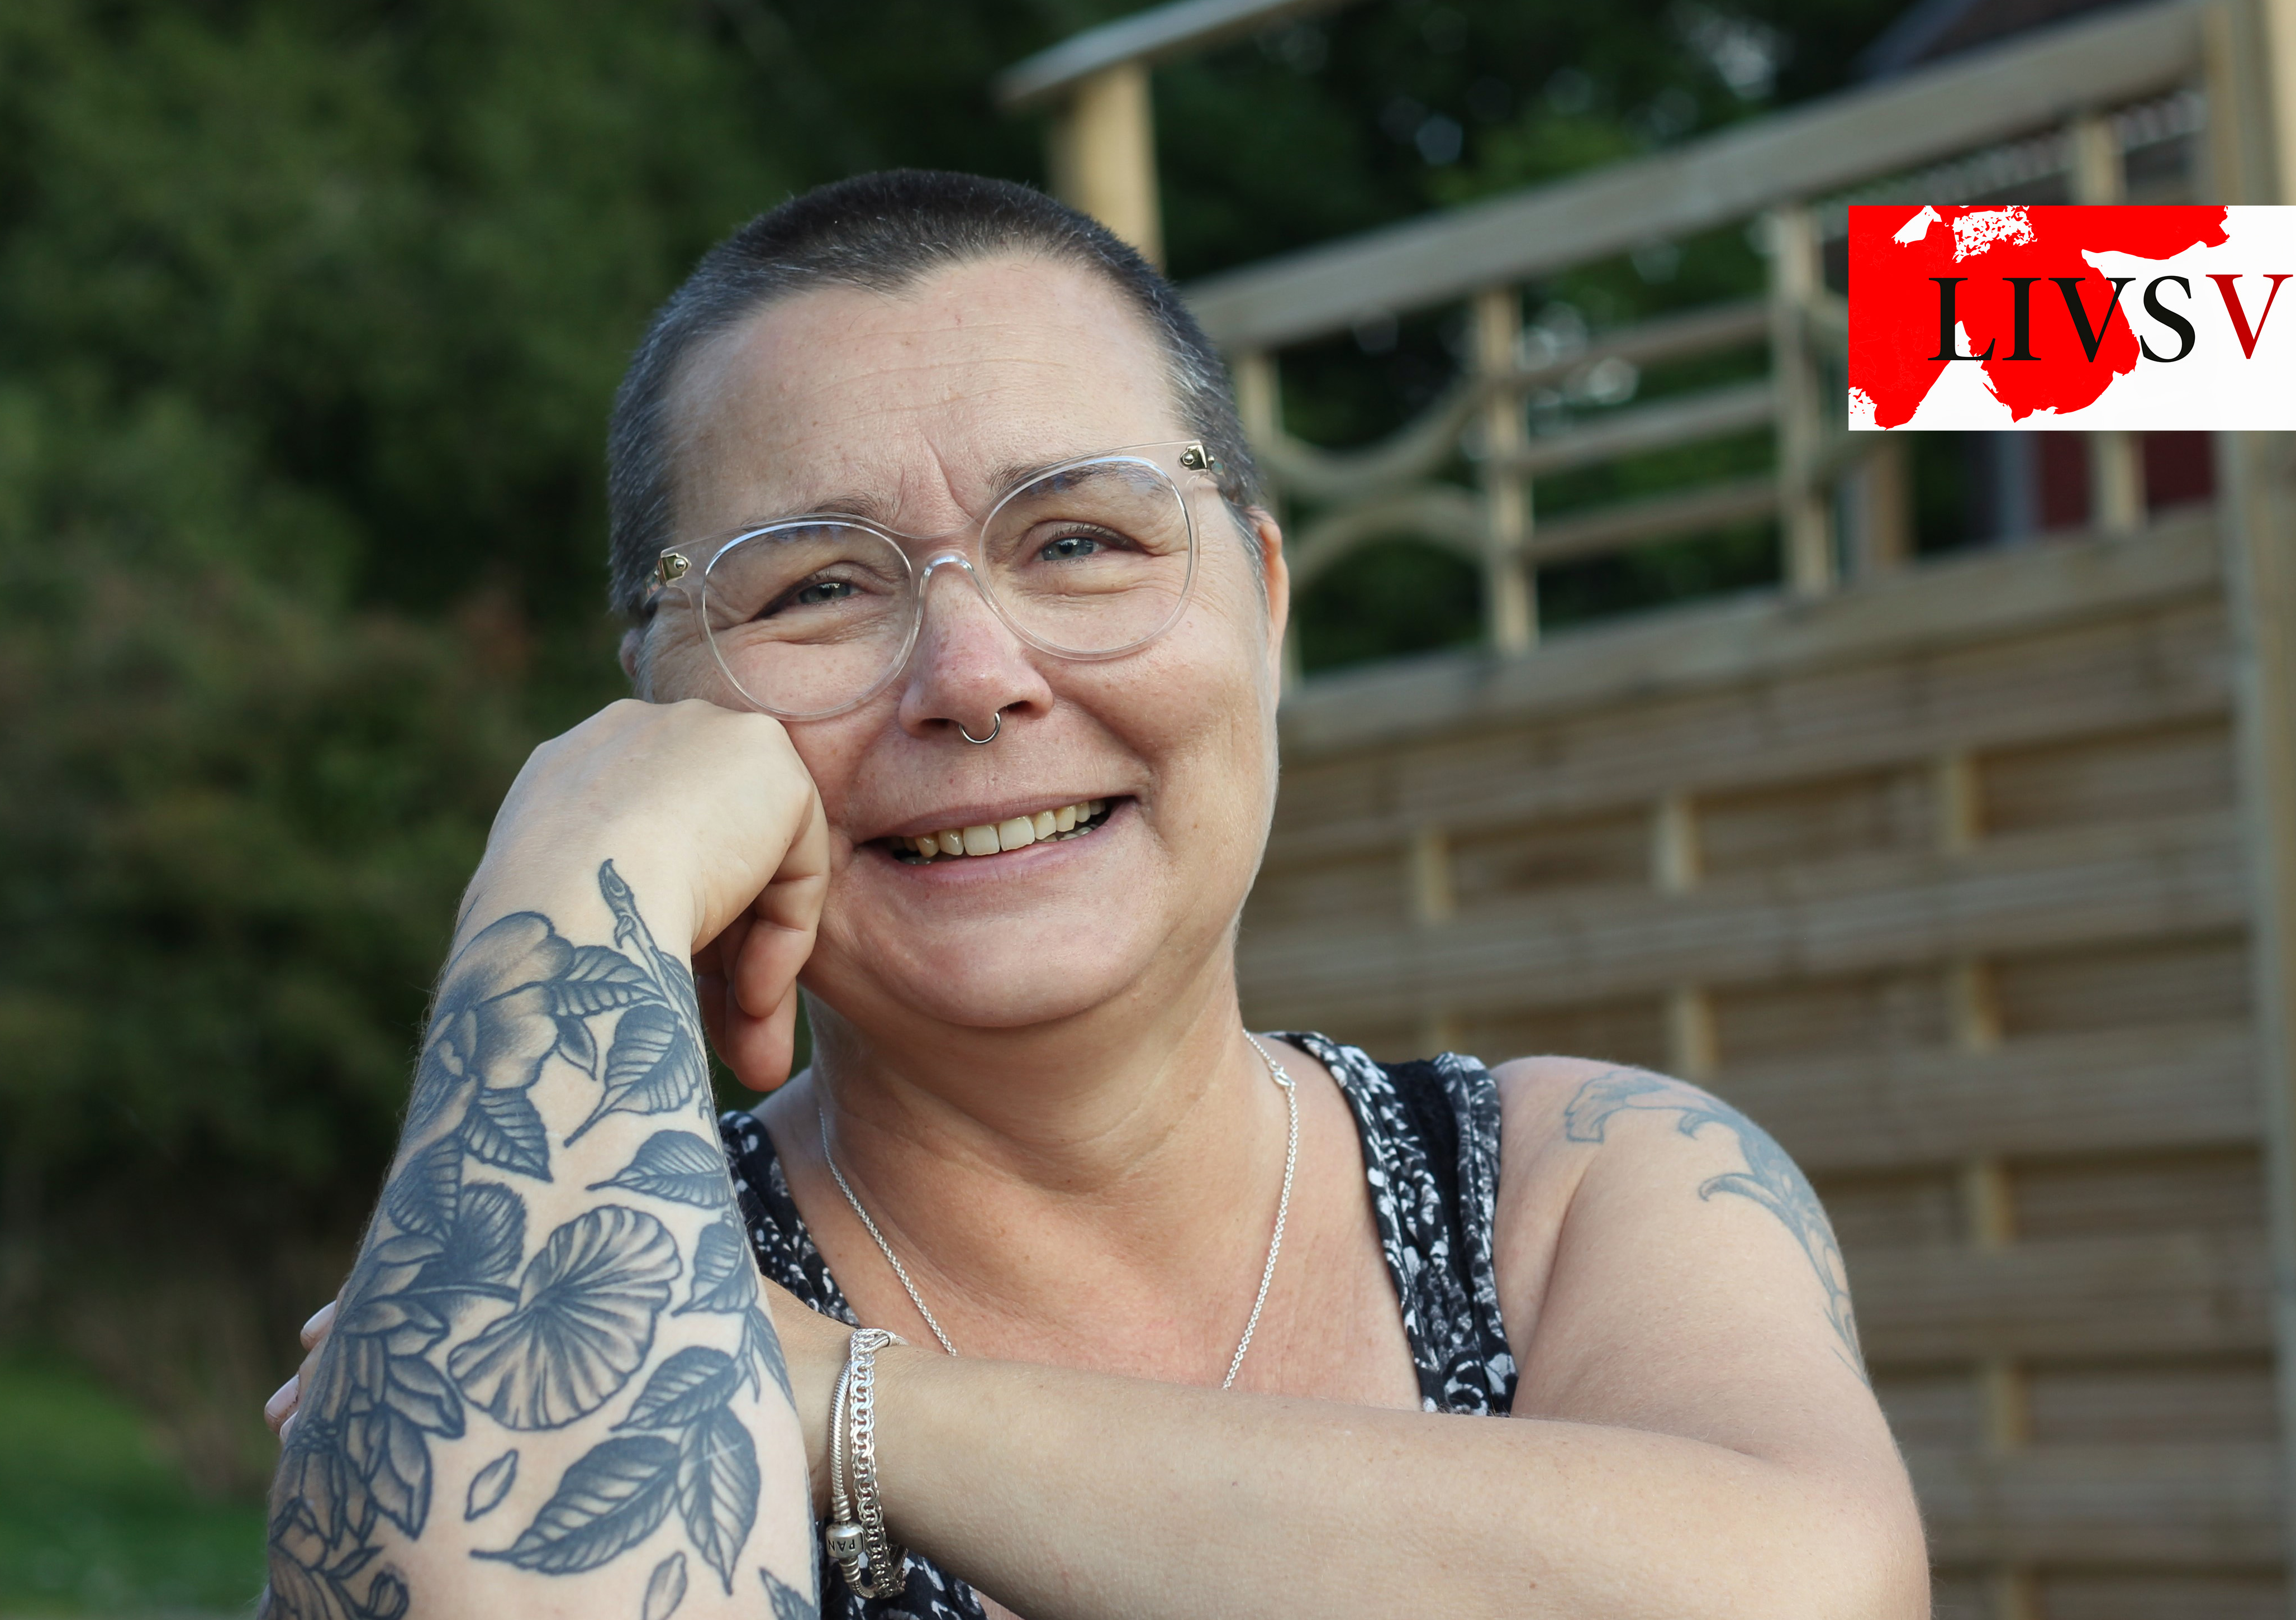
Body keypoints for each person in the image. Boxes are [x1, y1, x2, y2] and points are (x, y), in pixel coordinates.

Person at [260, 170, 1926, 1620]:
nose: (974, 676)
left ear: (1264, 602)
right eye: (819, 586)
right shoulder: (590, 1260)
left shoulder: (1575, 1192)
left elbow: (1811, 1590)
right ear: (659, 702)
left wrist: (833, 1403)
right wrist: (573, 867)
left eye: (1078, 542)